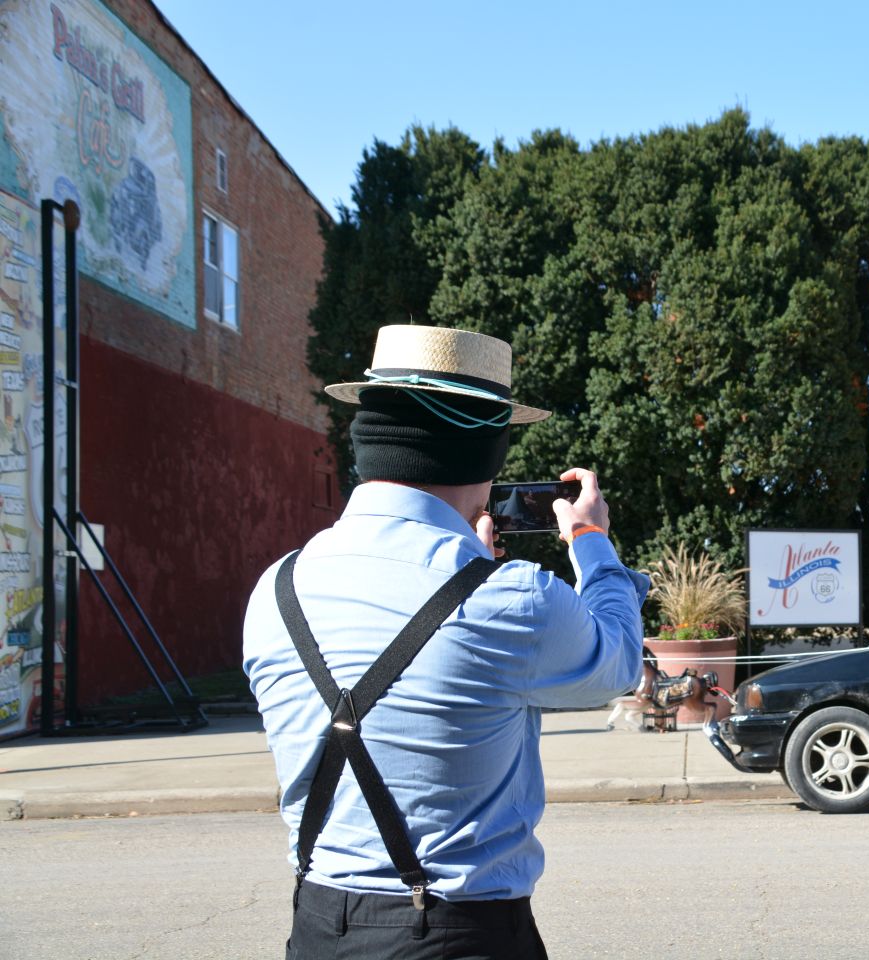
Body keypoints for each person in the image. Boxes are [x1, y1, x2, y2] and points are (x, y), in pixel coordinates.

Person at [243, 324, 647, 958]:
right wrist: (591, 539)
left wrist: (471, 571)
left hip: (319, 928)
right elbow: (618, 660)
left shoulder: (274, 588)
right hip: (461, 935)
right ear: (483, 456)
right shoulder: (514, 600)